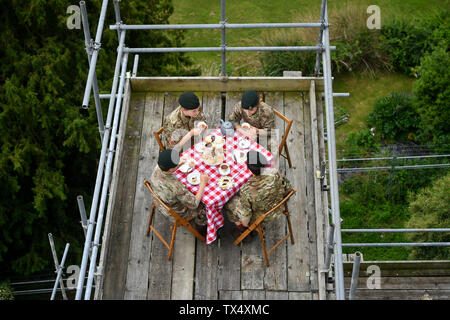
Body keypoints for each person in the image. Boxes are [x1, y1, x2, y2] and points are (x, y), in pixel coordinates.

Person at [223, 151, 293, 239]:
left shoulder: (247, 190)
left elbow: (245, 220)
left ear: (248, 168)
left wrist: (244, 223)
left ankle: (242, 230)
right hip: (278, 208)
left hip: (260, 218)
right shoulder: (275, 173)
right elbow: (288, 189)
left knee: (228, 201)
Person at [150, 149, 209, 236]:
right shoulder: (176, 187)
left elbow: (170, 170)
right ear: (171, 169)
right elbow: (194, 204)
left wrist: (180, 164)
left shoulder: (158, 167)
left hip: (158, 201)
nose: (179, 161)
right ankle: (202, 228)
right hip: (177, 212)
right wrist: (203, 183)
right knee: (206, 205)